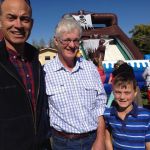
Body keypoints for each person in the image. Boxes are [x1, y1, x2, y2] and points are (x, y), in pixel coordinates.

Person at [44, 15, 107, 150]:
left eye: (75, 40)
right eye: (66, 40)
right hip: (64, 143)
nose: (72, 45)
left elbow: (100, 105)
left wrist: (100, 138)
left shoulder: (90, 68)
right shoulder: (45, 73)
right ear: (56, 41)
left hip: (93, 139)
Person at [0, 0, 50, 149]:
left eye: (24, 19)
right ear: (1, 22)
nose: (18, 25)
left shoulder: (35, 61)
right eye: (11, 17)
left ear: (32, 24)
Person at [104, 72, 150, 150]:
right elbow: (107, 137)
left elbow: (148, 143)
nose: (122, 97)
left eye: (127, 93)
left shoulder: (145, 115)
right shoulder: (108, 114)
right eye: (118, 92)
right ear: (113, 93)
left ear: (135, 93)